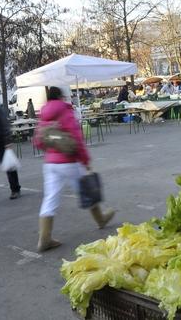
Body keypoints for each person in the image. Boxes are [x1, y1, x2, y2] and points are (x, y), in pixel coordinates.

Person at [33, 86, 115, 252]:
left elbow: (38, 141)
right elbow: (77, 138)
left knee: (50, 199)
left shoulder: (44, 114)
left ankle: (44, 239)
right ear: (61, 97)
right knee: (87, 190)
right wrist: (85, 160)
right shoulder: (65, 111)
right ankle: (101, 220)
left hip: (50, 163)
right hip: (69, 161)